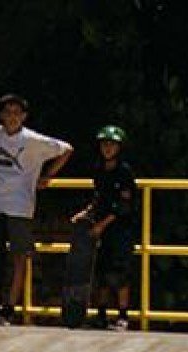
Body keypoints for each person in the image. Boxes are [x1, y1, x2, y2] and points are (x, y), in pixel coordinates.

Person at [0, 94, 72, 325]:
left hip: (20, 206)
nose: (12, 117)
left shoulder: (32, 139)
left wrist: (48, 176)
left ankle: (9, 306)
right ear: (1, 115)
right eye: (7, 112)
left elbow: (66, 149)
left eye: (16, 113)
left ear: (23, 116)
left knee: (19, 256)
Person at [72, 125, 138, 330]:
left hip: (120, 229)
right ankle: (101, 313)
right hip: (102, 228)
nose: (107, 148)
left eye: (112, 144)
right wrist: (87, 212)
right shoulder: (99, 170)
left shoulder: (124, 172)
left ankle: (123, 315)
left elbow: (123, 205)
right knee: (101, 271)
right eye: (104, 144)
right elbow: (99, 198)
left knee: (120, 272)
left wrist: (102, 224)